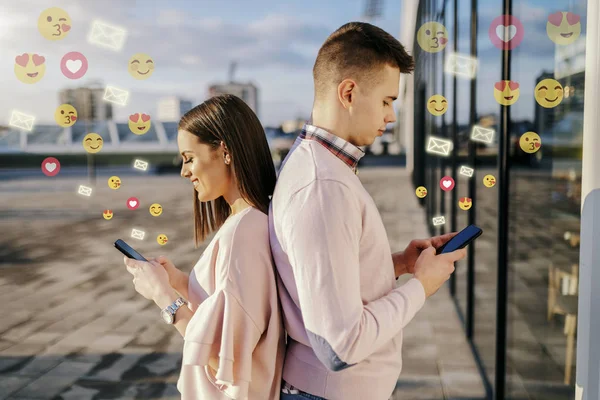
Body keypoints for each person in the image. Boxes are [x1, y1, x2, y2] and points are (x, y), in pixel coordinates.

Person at [269, 22, 467, 400]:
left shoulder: (321, 166)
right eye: (387, 101)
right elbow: (340, 345)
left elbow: (321, 280)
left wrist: (397, 264)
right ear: (348, 92)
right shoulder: (323, 185)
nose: (391, 116)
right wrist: (421, 286)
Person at [123, 94, 285, 400]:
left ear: (224, 150)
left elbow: (227, 357)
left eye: (189, 157)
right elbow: (232, 308)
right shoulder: (251, 222)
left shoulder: (243, 233)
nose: (184, 171)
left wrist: (164, 297)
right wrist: (181, 282)